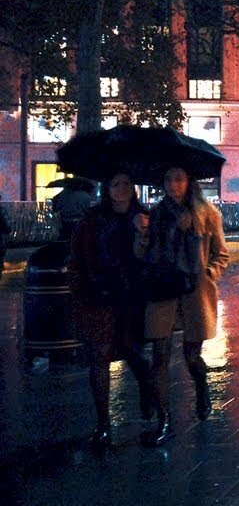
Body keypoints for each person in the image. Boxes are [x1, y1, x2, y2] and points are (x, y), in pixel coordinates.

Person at [134, 166, 229, 447]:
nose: (173, 185)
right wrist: (141, 234)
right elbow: (142, 254)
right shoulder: (155, 215)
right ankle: (163, 420)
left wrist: (208, 274)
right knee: (159, 355)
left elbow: (221, 254)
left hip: (194, 291)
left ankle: (201, 386)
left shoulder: (207, 213)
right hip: (162, 289)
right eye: (167, 178)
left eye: (178, 179)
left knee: (191, 357)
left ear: (189, 182)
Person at [69, 172, 151, 447]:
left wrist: (142, 233)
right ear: (107, 188)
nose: (121, 189)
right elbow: (79, 256)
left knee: (133, 352)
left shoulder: (143, 216)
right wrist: (80, 288)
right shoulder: (93, 219)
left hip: (131, 297)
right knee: (99, 358)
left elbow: (151, 257)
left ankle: (146, 391)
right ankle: (103, 422)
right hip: (98, 295)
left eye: (127, 184)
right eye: (115, 184)